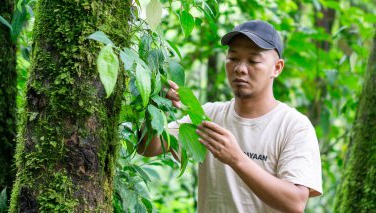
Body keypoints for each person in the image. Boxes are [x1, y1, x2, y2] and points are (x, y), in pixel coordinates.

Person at [138, 20, 322, 213]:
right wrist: (157, 104)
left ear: (277, 68)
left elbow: (295, 203)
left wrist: (237, 159)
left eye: (253, 61)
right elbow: (148, 147)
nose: (240, 68)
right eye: (233, 58)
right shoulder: (208, 116)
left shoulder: (294, 126)